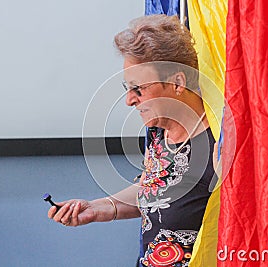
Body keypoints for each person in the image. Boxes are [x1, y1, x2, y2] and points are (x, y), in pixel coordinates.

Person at [48, 14, 219, 267]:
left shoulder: (217, 146)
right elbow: (154, 190)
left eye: (139, 89)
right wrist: (97, 208)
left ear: (177, 83)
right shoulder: (160, 132)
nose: (129, 100)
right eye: (127, 89)